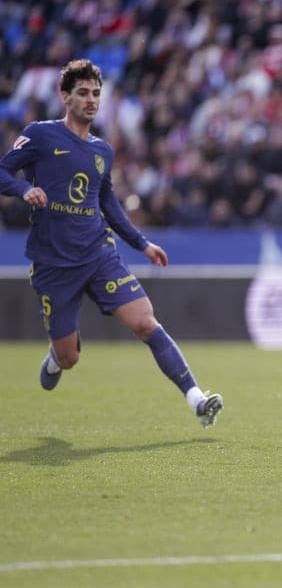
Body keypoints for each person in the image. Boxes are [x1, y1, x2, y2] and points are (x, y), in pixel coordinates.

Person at [0, 59, 222, 428]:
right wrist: (24, 189)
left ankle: (197, 399)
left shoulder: (102, 151)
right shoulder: (40, 135)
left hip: (98, 253)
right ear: (65, 97)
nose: (91, 99)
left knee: (146, 322)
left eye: (96, 93)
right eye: (83, 93)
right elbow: (2, 171)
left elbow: (108, 203)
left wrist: (142, 243)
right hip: (54, 262)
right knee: (69, 358)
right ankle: (56, 357)